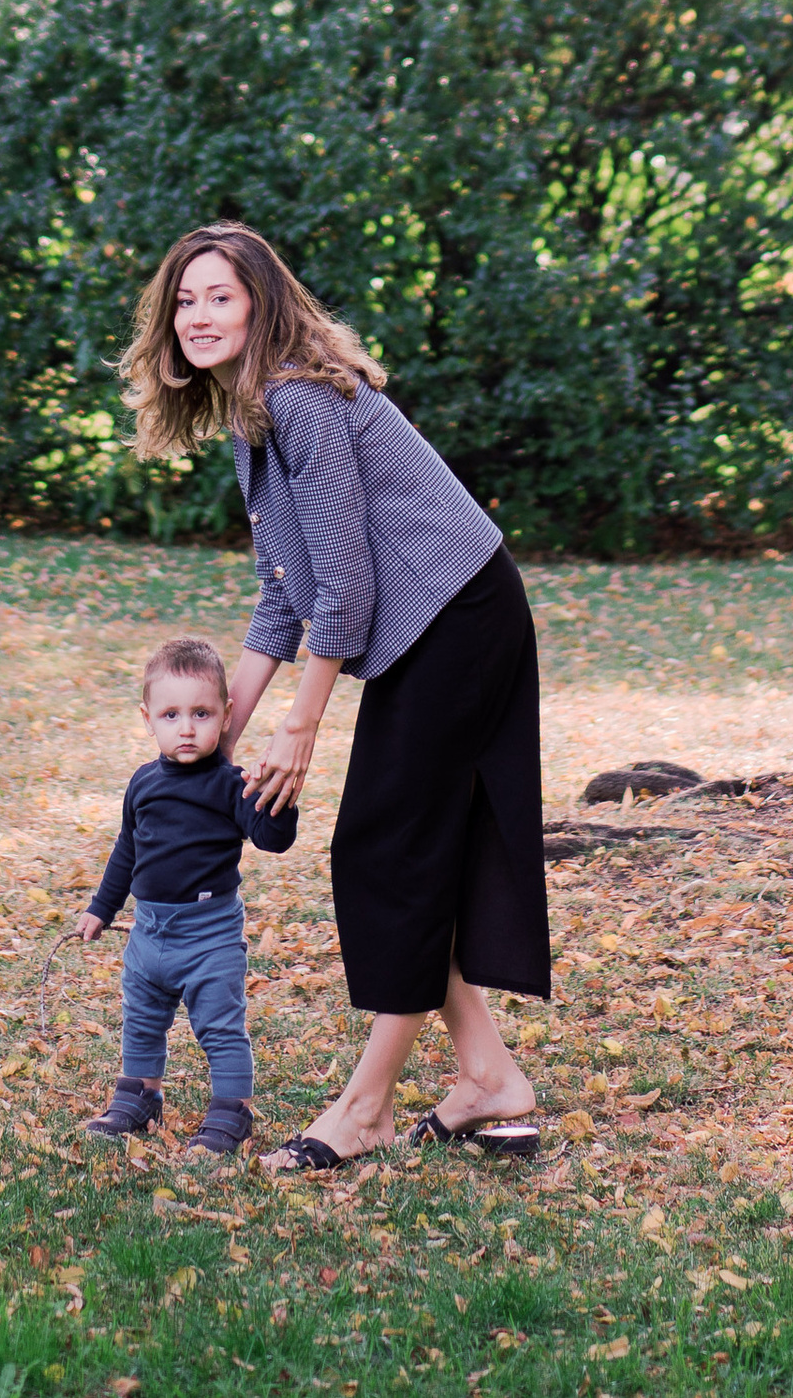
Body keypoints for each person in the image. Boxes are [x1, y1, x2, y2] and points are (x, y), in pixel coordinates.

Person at [119, 220, 551, 1174]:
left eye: (219, 296)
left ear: (261, 304)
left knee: (386, 853)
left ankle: (365, 1109)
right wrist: (217, 736)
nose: (198, 315)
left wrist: (301, 722)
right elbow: (286, 592)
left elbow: (346, 589)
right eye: (184, 299)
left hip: (458, 614)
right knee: (397, 853)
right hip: (435, 622)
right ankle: (489, 1076)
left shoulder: (300, 400)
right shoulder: (255, 415)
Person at [77, 630, 299, 1155]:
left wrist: (277, 797)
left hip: (209, 935)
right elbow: (127, 849)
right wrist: (101, 908)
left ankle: (232, 1110)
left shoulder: (231, 784)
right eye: (170, 715)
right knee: (142, 1018)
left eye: (201, 714)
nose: (186, 728)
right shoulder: (143, 783)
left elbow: (273, 840)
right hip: (149, 932)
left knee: (220, 1026)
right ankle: (140, 1094)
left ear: (226, 715)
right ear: (148, 718)